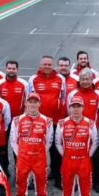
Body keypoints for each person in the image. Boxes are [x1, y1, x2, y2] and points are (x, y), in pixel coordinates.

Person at [55, 96, 97, 196]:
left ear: (83, 108)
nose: (76, 109)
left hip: (84, 162)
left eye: (79, 106)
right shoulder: (61, 123)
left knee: (85, 193)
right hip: (68, 162)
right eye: (73, 106)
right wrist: (66, 155)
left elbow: (95, 142)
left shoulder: (91, 123)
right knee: (67, 193)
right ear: (69, 108)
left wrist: (86, 155)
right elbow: (57, 143)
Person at [10, 93, 53, 196]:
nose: (33, 104)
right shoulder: (17, 120)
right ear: (25, 103)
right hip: (23, 159)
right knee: (21, 188)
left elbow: (48, 141)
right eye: (30, 101)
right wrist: (22, 154)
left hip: (39, 159)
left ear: (39, 104)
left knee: (41, 188)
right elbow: (13, 140)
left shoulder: (48, 121)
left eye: (35, 102)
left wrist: (39, 153)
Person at [30, 55, 67, 188]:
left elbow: (63, 98)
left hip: (56, 121)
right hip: (38, 121)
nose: (47, 66)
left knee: (55, 151)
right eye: (45, 64)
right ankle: (35, 179)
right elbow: (30, 100)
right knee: (36, 151)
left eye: (49, 64)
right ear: (41, 65)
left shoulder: (60, 79)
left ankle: (57, 177)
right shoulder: (33, 79)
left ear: (53, 66)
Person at [68, 68, 99, 192]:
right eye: (83, 79)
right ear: (79, 80)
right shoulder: (73, 94)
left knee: (95, 156)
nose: (85, 81)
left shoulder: (98, 95)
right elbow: (70, 112)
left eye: (87, 79)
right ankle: (76, 181)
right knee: (76, 157)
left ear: (92, 80)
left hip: (93, 131)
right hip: (76, 131)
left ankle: (96, 182)